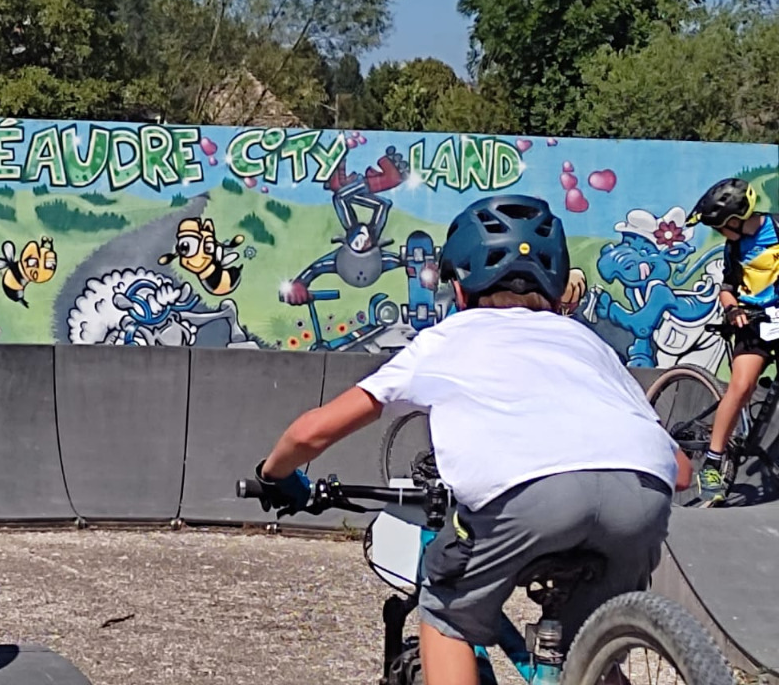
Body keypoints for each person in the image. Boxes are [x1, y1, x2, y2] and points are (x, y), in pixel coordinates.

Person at [251, 194, 691, 685]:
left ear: (458, 289)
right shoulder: (588, 343)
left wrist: (275, 476)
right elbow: (682, 471)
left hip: (527, 495)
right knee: (588, 648)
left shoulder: (447, 338)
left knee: (447, 612)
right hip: (640, 495)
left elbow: (313, 431)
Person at [684, 177, 779, 506]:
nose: (719, 233)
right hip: (753, 323)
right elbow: (726, 289)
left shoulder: (776, 229)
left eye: (720, 227)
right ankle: (712, 463)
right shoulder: (734, 247)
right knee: (741, 386)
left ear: (736, 220)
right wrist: (733, 309)